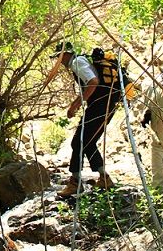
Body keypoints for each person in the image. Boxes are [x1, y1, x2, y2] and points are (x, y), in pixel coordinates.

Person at [44, 41, 118, 197]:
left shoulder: (77, 62)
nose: (59, 61)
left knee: (78, 142)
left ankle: (75, 183)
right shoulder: (80, 61)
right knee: (88, 143)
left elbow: (94, 82)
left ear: (66, 54)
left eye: (59, 57)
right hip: (103, 105)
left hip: (100, 106)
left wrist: (76, 105)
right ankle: (104, 178)